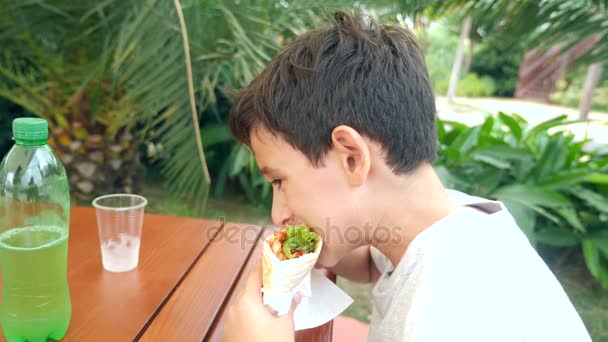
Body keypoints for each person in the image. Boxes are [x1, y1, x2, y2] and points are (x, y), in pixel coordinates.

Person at [223, 11, 591, 342]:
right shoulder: (443, 219)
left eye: (279, 182)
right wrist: (317, 248)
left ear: (351, 158)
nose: (278, 214)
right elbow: (373, 261)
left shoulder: (454, 316)